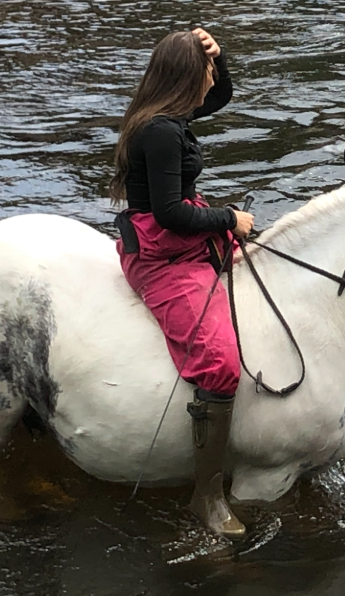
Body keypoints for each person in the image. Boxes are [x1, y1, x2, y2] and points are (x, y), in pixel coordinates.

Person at [109, 28, 253, 538]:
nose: (212, 79)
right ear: (186, 78)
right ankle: (207, 497)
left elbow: (221, 97)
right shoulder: (162, 132)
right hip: (160, 253)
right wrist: (227, 218)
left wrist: (220, 52)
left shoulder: (166, 118)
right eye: (206, 70)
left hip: (177, 231)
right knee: (219, 366)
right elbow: (169, 215)